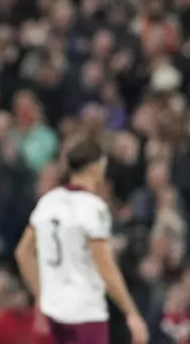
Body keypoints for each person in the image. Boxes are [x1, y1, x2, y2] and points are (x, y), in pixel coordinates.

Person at [14, 139, 149, 344]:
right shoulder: (93, 207)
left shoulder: (49, 201)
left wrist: (42, 295)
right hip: (85, 310)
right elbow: (104, 264)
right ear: (97, 167)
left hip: (53, 310)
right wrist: (131, 312)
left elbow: (23, 252)